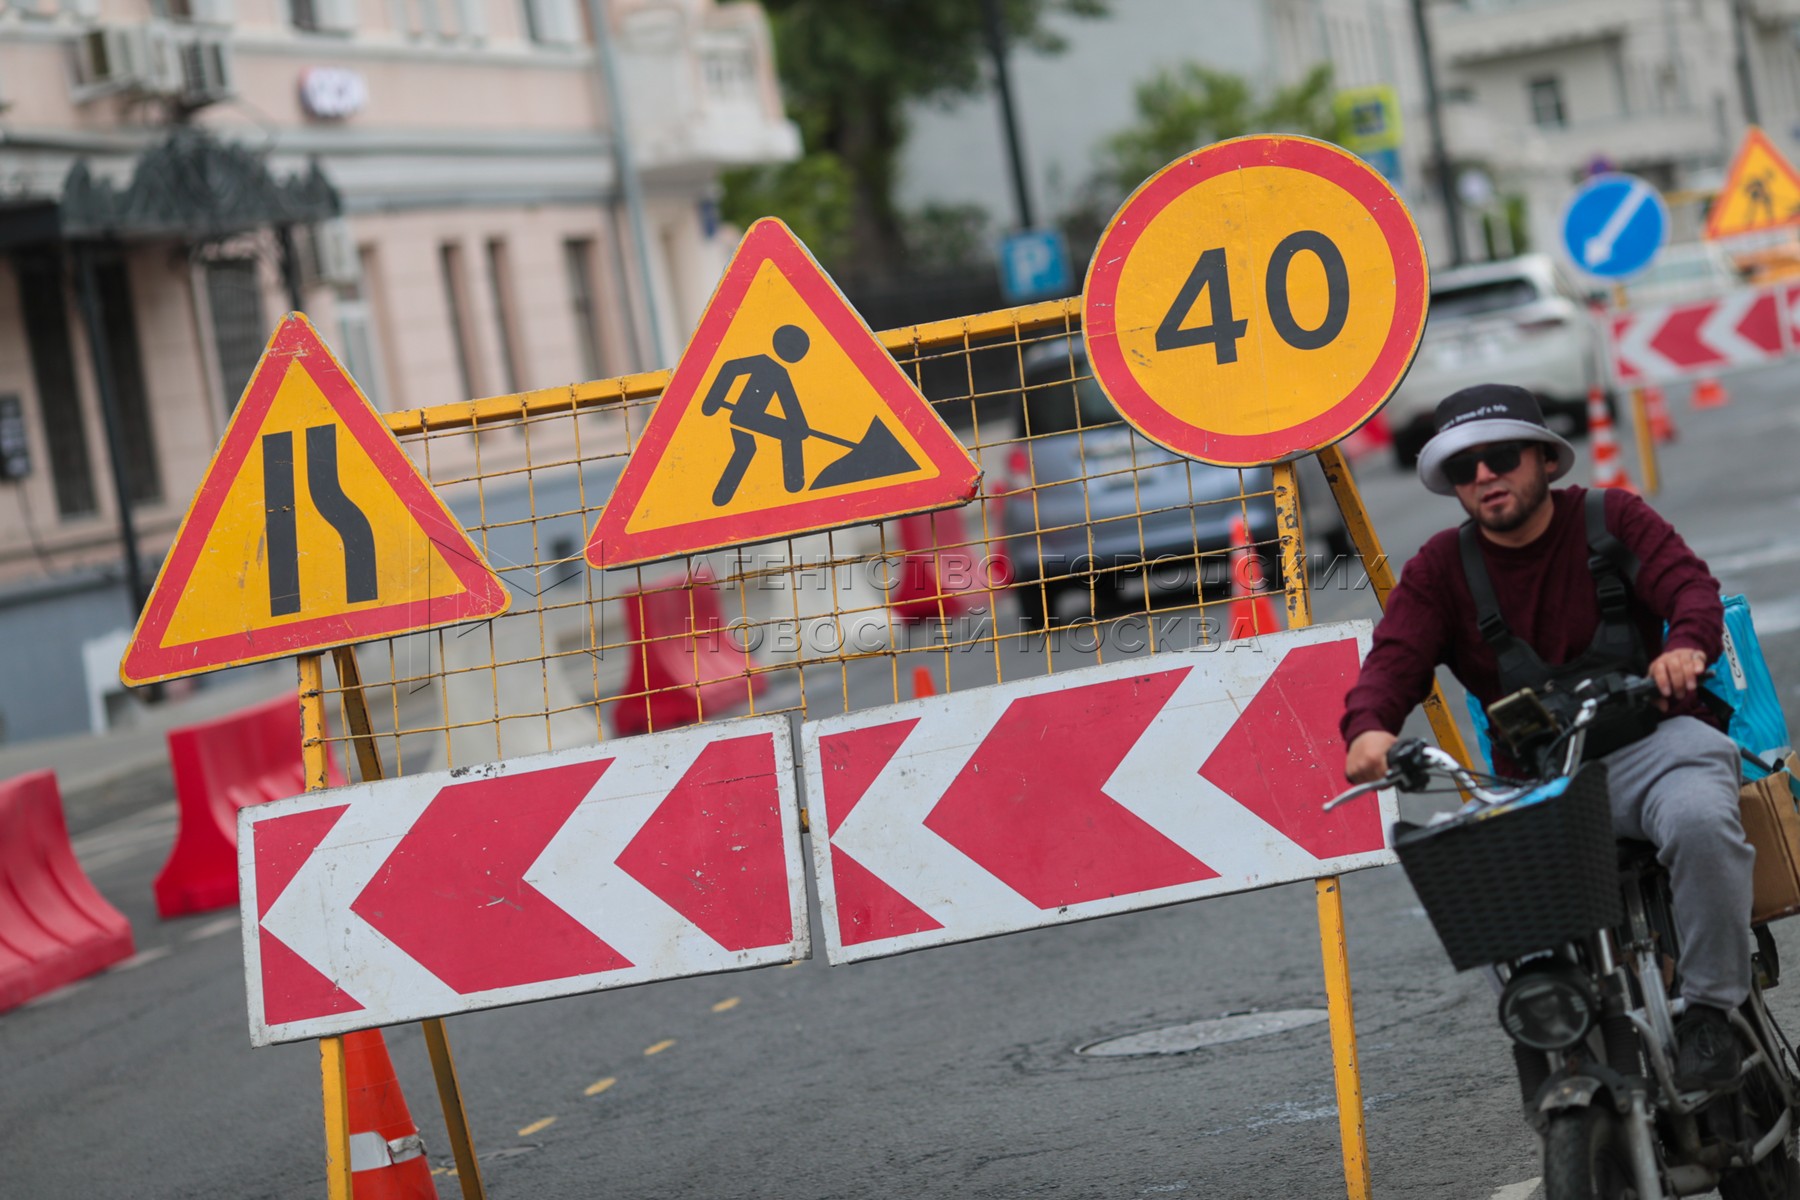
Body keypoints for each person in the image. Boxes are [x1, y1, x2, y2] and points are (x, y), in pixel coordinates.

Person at [1340, 383, 1752, 1090]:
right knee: (1487, 885)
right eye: (1464, 468)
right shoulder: (1440, 569)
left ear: (1544, 460)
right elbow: (1394, 660)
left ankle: (1715, 1012)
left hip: (1657, 750)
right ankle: (1563, 1037)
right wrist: (1369, 730)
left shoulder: (1612, 516)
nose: (1483, 477)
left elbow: (1690, 589)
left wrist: (1685, 647)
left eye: (1500, 457)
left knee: (1699, 820)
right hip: (1541, 786)